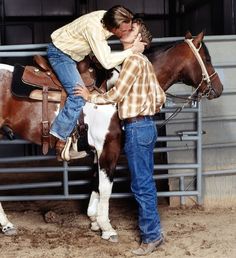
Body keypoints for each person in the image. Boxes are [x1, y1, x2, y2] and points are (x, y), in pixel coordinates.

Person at [74, 18, 166, 256]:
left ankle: (151, 238)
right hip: (145, 125)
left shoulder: (134, 60)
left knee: (141, 185)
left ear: (139, 39)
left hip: (136, 126)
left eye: (132, 29)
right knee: (145, 182)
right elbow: (160, 96)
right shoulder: (143, 61)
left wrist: (89, 96)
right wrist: (145, 107)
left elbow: (116, 94)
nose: (125, 31)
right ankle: (155, 232)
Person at [47, 5, 145, 161]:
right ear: (114, 28)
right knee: (78, 96)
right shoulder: (95, 29)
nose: (127, 32)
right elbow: (106, 62)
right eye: (124, 30)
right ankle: (60, 136)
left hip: (76, 53)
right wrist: (133, 50)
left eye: (129, 29)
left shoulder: (106, 17)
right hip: (61, 55)